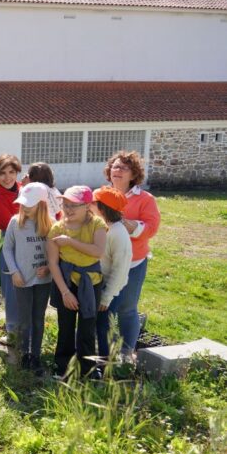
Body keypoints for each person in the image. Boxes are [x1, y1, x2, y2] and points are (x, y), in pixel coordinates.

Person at [103, 150, 161, 357]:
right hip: (103, 262)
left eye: (123, 168)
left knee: (127, 308)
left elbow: (151, 228)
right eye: (115, 166)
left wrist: (127, 225)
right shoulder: (100, 194)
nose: (117, 170)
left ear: (133, 174)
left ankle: (127, 353)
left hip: (133, 263)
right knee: (103, 307)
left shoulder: (145, 199)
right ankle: (102, 348)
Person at [46, 186, 107, 379]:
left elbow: (98, 251)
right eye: (66, 204)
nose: (69, 209)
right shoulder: (57, 228)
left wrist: (70, 242)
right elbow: (53, 263)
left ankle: (88, 368)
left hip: (90, 283)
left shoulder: (97, 224)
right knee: (65, 326)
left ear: (87, 206)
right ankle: (62, 365)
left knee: (87, 327)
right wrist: (65, 292)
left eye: (74, 205)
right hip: (67, 282)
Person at [2, 183, 53, 375]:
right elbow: (7, 249)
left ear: (41, 204)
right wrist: (14, 272)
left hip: (43, 282)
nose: (23, 207)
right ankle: (24, 354)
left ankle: (36, 356)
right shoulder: (16, 222)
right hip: (22, 280)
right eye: (22, 203)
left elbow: (56, 253)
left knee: (38, 318)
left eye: (29, 204)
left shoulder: (50, 225)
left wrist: (48, 268)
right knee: (24, 319)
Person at [91, 186, 133, 360]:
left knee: (103, 327)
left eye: (93, 202)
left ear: (103, 208)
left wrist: (107, 296)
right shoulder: (103, 227)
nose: (89, 205)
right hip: (98, 284)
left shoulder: (118, 233)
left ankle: (105, 363)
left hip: (109, 289)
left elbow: (120, 269)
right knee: (96, 325)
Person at [0, 154, 23, 340]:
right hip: (10, 240)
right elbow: (9, 223)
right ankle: (12, 330)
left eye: (12, 172)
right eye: (3, 173)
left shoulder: (24, 189)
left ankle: (26, 327)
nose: (8, 177)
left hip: (31, 242)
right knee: (11, 287)